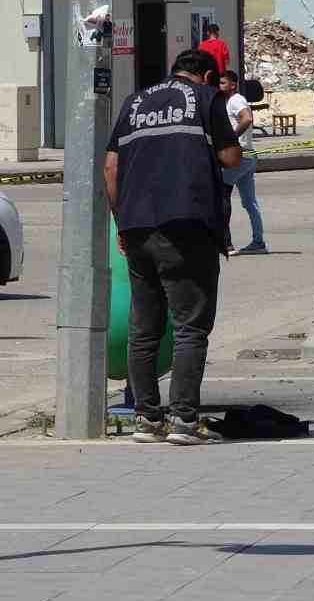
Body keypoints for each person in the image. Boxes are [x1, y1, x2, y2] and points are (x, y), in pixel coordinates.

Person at [104, 49, 242, 444]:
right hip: (187, 226)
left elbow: (111, 167)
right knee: (190, 328)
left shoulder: (134, 103)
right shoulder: (205, 99)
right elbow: (231, 157)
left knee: (143, 330)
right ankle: (184, 421)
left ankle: (147, 421)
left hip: (137, 228)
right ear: (209, 75)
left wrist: (121, 222)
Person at [218, 70, 265, 254]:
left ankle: (226, 243)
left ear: (233, 85)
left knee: (222, 194)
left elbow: (247, 118)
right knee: (249, 202)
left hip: (239, 155)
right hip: (248, 156)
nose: (219, 86)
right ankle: (258, 242)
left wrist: (231, 137)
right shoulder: (230, 101)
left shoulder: (236, 100)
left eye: (223, 83)